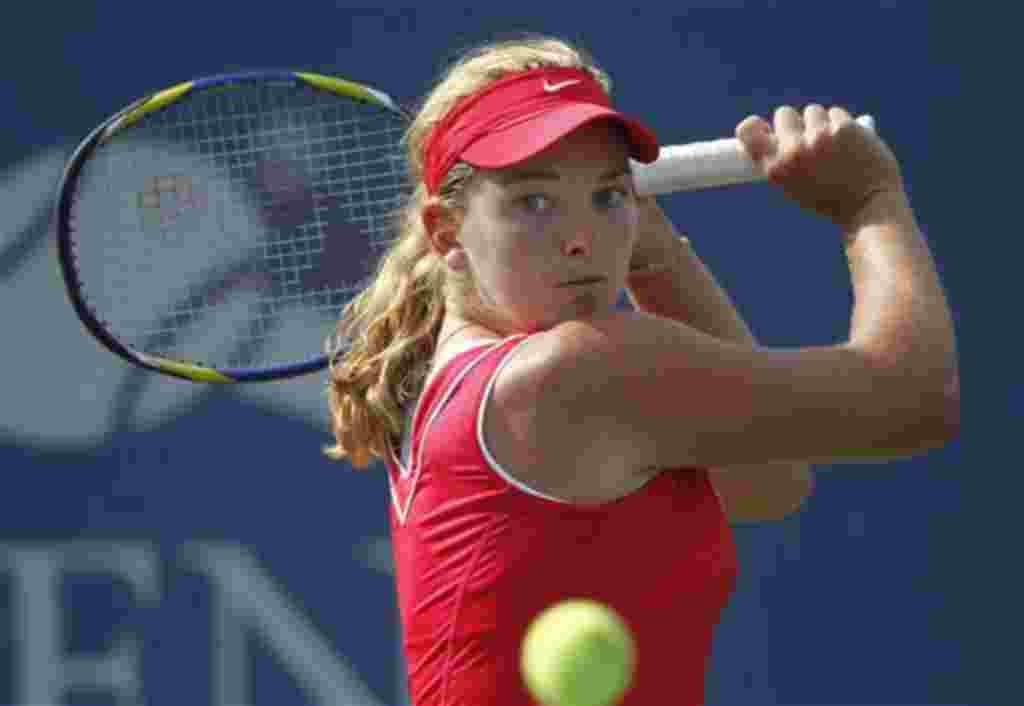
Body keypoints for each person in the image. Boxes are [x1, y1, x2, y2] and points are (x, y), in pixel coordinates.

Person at [324, 35, 959, 706]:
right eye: (534, 202)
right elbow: (914, 396)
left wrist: (646, 246)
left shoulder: (457, 375)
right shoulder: (573, 371)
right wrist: (868, 204)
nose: (580, 238)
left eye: (605, 197)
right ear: (447, 233)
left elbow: (763, 483)